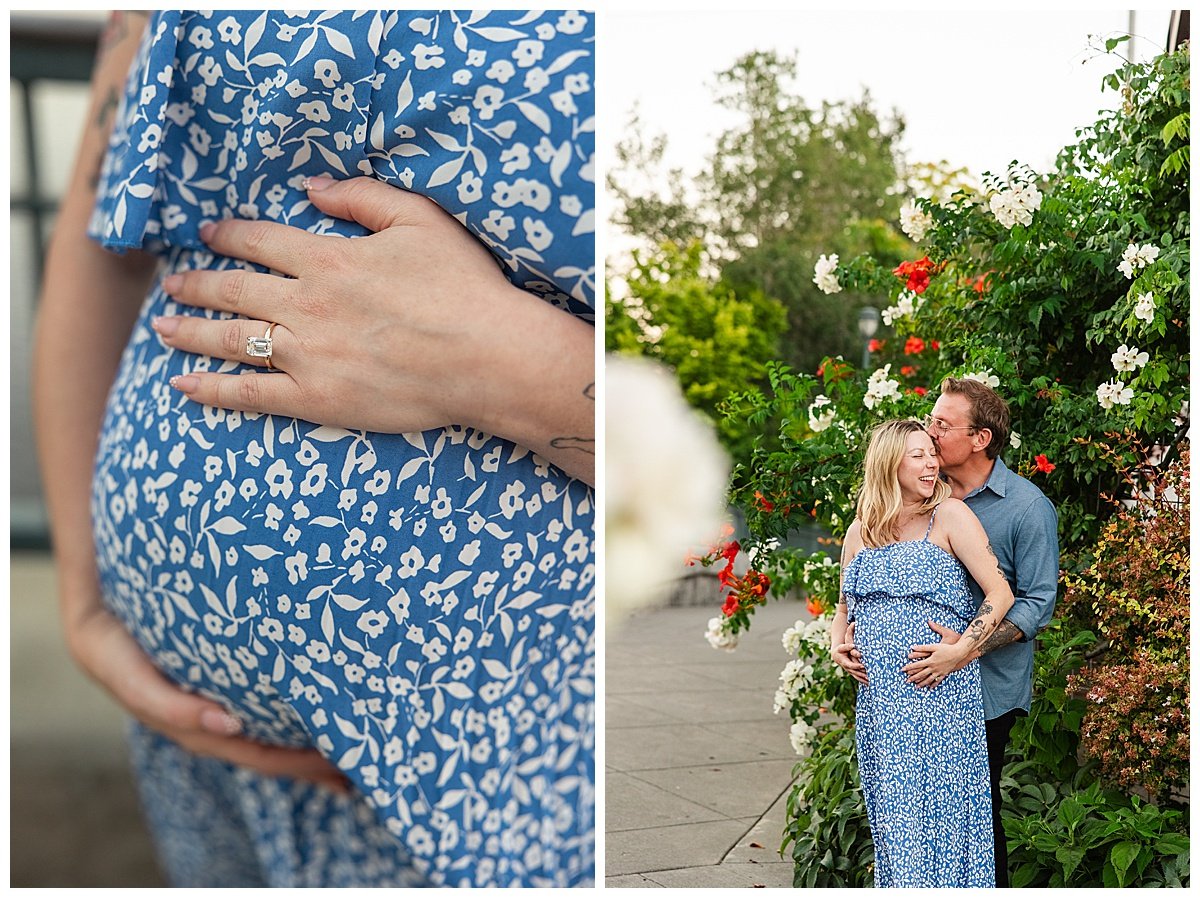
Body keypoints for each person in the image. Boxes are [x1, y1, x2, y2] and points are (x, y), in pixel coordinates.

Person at [33, 10, 595, 888]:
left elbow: (690, 449)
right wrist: (85, 601)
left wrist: (497, 361)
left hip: (508, 751)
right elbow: (101, 215)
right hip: (211, 757)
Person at [831, 419, 1014, 888]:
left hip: (940, 700)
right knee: (898, 830)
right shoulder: (861, 530)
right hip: (882, 707)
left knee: (948, 826)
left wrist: (962, 652)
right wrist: (837, 643)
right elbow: (843, 606)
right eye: (918, 455)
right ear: (889, 462)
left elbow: (1000, 594)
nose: (932, 463)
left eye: (932, 453)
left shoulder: (949, 516)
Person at [904, 377, 1059, 887]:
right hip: (921, 681)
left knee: (973, 815)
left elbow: (1037, 602)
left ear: (980, 439)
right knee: (920, 810)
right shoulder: (924, 491)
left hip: (988, 687)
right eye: (931, 420)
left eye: (942, 425)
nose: (930, 433)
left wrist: (966, 650)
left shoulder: (1027, 508)